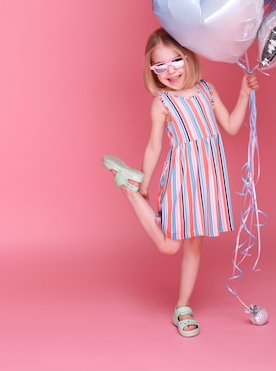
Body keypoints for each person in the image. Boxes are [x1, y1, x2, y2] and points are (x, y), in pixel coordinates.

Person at [103, 28, 259, 338]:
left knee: (195, 243)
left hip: (209, 180)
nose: (170, 71)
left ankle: (182, 307)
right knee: (169, 246)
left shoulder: (206, 90)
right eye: (160, 66)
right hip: (183, 180)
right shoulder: (162, 103)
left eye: (175, 61)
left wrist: (244, 93)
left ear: (188, 58)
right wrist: (145, 185)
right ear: (152, 70)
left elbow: (229, 126)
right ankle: (129, 188)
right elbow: (153, 147)